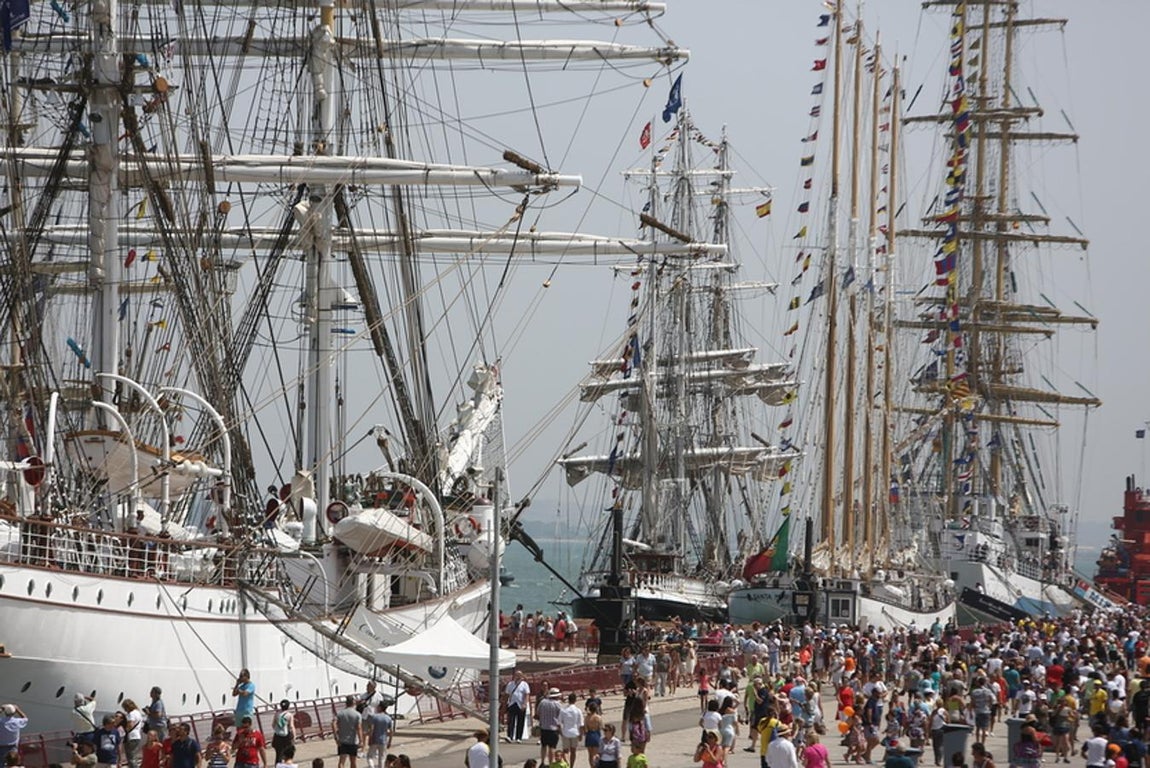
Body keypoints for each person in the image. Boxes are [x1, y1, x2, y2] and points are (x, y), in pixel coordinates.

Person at [335, 696, 364, 768]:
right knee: (353, 762)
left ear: (346, 703)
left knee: (341, 761)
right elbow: (359, 728)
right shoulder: (357, 714)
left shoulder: (340, 713)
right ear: (353, 703)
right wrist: (361, 740)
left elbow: (333, 723)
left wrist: (336, 737)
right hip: (353, 741)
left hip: (342, 741)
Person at [536, 688, 562, 765]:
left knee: (543, 746)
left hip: (544, 727)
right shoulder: (557, 704)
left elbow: (538, 713)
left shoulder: (542, 702)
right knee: (552, 747)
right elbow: (560, 717)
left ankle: (542, 762)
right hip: (553, 728)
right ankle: (551, 763)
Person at [558, 694, 584, 768]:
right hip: (575, 732)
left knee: (565, 751)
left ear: (568, 700)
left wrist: (561, 732)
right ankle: (571, 766)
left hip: (565, 732)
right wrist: (581, 735)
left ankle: (567, 764)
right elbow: (581, 724)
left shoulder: (563, 710)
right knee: (573, 751)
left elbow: (559, 723)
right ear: (575, 700)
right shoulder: (578, 710)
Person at [365, 702, 393, 768]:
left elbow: (372, 729)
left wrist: (370, 738)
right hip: (383, 740)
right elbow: (391, 731)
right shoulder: (388, 718)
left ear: (380, 708)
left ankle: (372, 767)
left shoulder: (374, 717)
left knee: (370, 757)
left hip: (375, 739)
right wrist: (390, 741)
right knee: (382, 758)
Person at [505, 671, 530, 744]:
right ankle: (510, 736)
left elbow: (527, 694)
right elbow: (507, 694)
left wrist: (525, 704)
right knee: (511, 721)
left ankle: (518, 737)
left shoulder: (524, 684)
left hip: (520, 704)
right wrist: (505, 703)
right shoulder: (510, 684)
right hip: (512, 704)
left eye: (519, 675)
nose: (518, 676)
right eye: (517, 675)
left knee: (520, 721)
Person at [271, 700, 295, 765]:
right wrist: (294, 737)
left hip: (277, 736)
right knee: (287, 753)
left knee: (278, 754)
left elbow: (273, 725)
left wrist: (277, 729)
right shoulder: (289, 715)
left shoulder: (277, 714)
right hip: (286, 737)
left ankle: (278, 765)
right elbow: (291, 726)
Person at [123, 699, 145, 768]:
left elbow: (130, 725)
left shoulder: (131, 714)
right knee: (134, 756)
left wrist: (124, 730)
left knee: (130, 757)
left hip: (131, 736)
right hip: (137, 736)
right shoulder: (138, 713)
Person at [584, 702, 602, 768]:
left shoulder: (587, 718)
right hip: (596, 734)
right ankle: (596, 766)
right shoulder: (598, 718)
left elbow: (585, 728)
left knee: (590, 754)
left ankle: (592, 766)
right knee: (596, 753)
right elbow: (601, 727)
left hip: (589, 734)